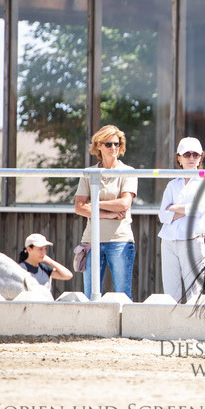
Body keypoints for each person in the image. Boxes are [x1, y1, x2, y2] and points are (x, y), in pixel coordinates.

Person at [73, 125, 138, 300]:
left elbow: (124, 204)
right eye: (108, 144)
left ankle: (125, 328)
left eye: (117, 144)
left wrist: (93, 203)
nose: (114, 148)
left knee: (122, 295)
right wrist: (108, 214)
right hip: (91, 240)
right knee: (89, 296)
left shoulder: (128, 171)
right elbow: (79, 207)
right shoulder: (89, 173)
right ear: (99, 145)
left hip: (119, 240)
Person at [158, 137, 205, 303]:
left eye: (195, 154)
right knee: (170, 293)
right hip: (169, 241)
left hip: (193, 241)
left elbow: (198, 209)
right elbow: (162, 215)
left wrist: (173, 208)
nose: (191, 158)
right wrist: (186, 209)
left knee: (194, 294)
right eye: (187, 154)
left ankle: (191, 329)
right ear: (179, 158)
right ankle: (170, 329)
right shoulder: (172, 184)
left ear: (200, 157)